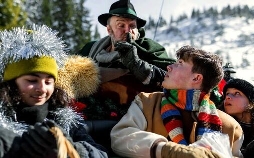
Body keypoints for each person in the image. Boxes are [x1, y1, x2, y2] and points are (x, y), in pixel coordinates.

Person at [110, 45, 243, 158]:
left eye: (180, 63)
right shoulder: (147, 102)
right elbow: (120, 137)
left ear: (196, 78)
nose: (169, 67)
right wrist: (167, 150)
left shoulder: (231, 127)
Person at [0, 25, 108, 158]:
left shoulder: (65, 119)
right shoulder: (2, 122)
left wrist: (70, 148)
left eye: (48, 82)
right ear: (12, 82)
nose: (42, 89)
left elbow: (101, 154)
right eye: (32, 80)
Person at [76, 0, 176, 120]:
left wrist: (138, 66)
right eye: (121, 25)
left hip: (138, 120)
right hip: (93, 116)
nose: (128, 31)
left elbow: (174, 79)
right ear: (109, 30)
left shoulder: (149, 49)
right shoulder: (91, 49)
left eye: (132, 26)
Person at [222, 78, 254, 158]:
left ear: (250, 101)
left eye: (237, 93)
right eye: (227, 93)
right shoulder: (221, 124)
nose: (228, 97)